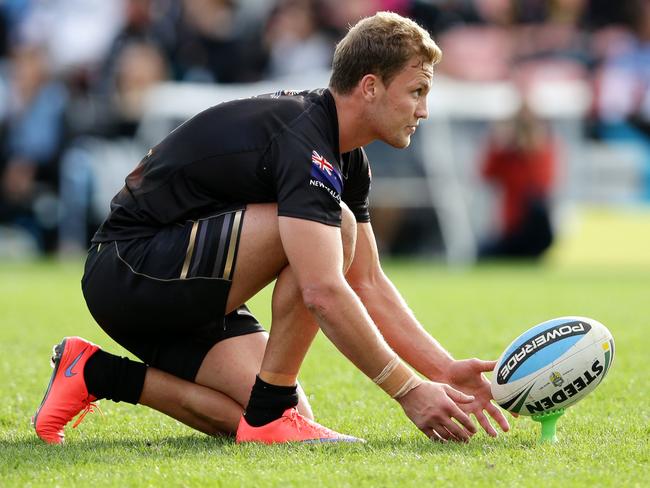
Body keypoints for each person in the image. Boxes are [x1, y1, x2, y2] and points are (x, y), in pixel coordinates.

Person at [32, 11, 510, 445]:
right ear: (369, 86)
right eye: (417, 91)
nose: (423, 110)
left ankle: (94, 372)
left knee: (266, 413)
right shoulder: (307, 142)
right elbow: (323, 291)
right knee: (333, 226)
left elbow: (367, 281)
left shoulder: (347, 158)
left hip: (175, 285)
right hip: (128, 271)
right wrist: (408, 390)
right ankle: (270, 414)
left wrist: (443, 370)